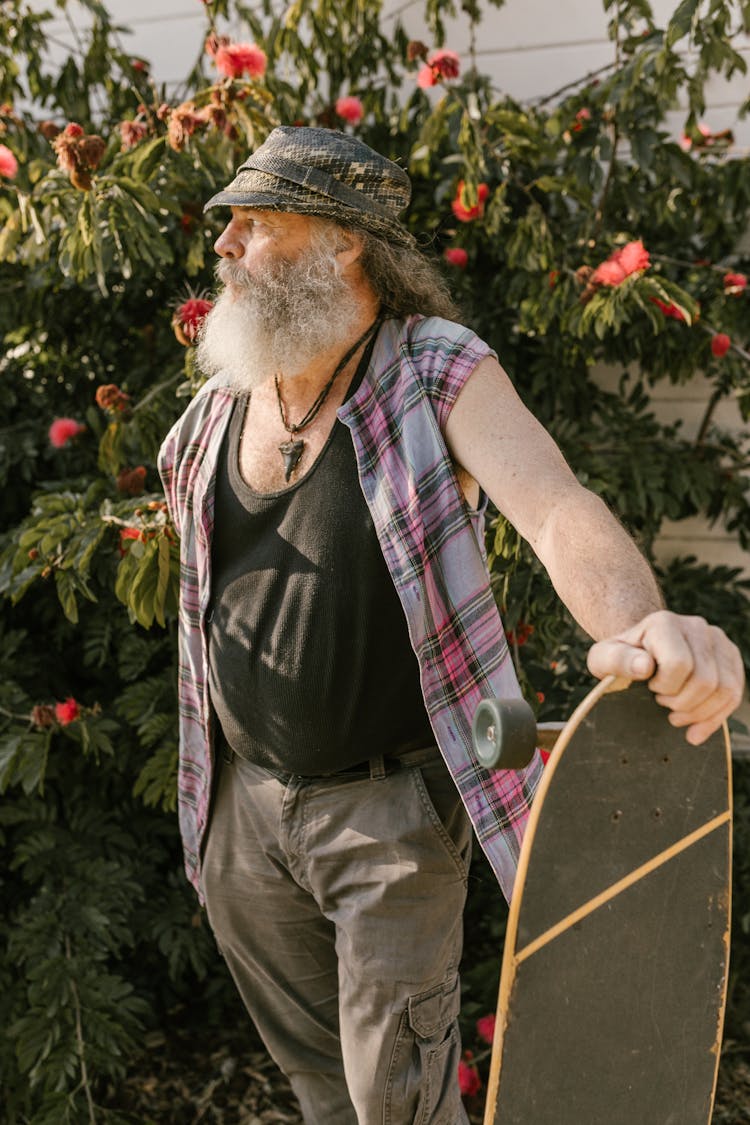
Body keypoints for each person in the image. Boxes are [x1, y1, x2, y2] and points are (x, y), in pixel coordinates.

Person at [158, 127, 745, 1125]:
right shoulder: (218, 408)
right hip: (240, 811)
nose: (225, 245)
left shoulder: (430, 370)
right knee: (316, 1084)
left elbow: (556, 509)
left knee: (395, 1099)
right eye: (229, 225)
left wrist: (642, 629)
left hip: (385, 821)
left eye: (254, 223)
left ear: (341, 243)